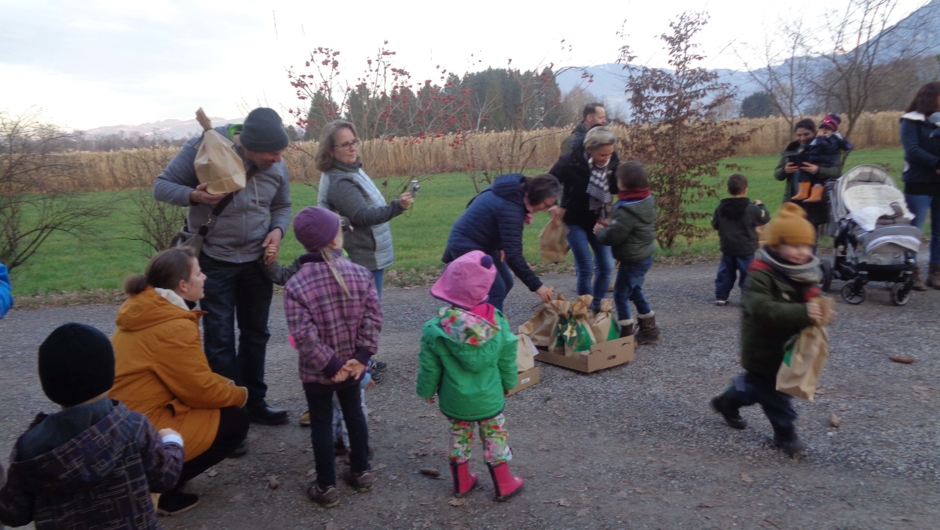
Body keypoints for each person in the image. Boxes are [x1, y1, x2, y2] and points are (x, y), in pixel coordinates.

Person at [153, 107, 292, 426]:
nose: (279, 160)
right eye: (272, 153)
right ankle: (228, 416)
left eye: (281, 152)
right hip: (213, 262)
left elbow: (282, 205)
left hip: (258, 264)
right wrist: (194, 196)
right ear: (249, 145)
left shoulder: (275, 164)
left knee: (256, 334)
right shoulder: (202, 147)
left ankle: (254, 402)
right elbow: (160, 187)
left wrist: (277, 230)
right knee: (219, 339)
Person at [0, 323, 185, 529]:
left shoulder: (30, 448)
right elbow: (165, 477)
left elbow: (14, 514)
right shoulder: (133, 426)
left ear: (48, 383)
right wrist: (172, 442)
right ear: (109, 373)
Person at [110, 247, 250, 515]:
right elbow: (198, 391)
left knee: (218, 403)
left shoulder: (147, 308)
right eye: (199, 273)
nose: (205, 277)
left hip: (122, 420)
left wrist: (225, 384)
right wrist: (241, 395)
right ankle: (159, 487)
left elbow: (187, 374)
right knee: (235, 420)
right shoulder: (172, 325)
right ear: (183, 285)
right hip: (140, 429)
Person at [709, 203, 831, 457]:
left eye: (806, 246)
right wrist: (803, 312)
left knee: (753, 388)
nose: (802, 252)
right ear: (775, 245)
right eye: (795, 245)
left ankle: (726, 402)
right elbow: (761, 308)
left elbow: (811, 291)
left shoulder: (803, 272)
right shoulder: (761, 275)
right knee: (776, 394)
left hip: (787, 346)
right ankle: (786, 435)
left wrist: (820, 307)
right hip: (763, 348)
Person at [283, 207, 381, 508]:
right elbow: (373, 317)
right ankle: (361, 471)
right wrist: (361, 356)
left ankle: (326, 487)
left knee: (322, 425)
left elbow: (304, 335)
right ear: (334, 241)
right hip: (352, 367)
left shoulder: (296, 284)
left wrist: (329, 365)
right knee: (354, 414)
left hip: (318, 373)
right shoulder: (361, 274)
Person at [416, 250, 524, 501]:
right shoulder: (498, 323)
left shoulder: (436, 329)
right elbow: (508, 358)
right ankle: (504, 482)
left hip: (456, 400)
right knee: (494, 434)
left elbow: (429, 366)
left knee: (459, 434)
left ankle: (462, 482)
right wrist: (509, 384)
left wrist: (426, 390)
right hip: (489, 397)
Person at [316, 120, 411, 382]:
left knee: (364, 312)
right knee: (362, 315)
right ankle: (359, 368)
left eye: (353, 142)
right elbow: (361, 215)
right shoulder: (340, 180)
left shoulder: (351, 170)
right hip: (361, 257)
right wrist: (397, 207)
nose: (351, 148)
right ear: (330, 150)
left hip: (368, 254)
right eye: (344, 145)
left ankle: (364, 361)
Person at [442, 174, 560, 310]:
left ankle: (479, 317)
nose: (545, 210)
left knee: (507, 282)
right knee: (495, 289)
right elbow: (514, 255)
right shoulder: (511, 209)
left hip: (485, 243)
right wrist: (538, 286)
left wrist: (502, 244)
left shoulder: (514, 190)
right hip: (466, 244)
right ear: (537, 195)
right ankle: (487, 328)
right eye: (546, 205)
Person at [551, 126, 620, 311]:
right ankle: (584, 309)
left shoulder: (613, 160)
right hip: (573, 219)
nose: (607, 158)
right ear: (590, 149)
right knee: (586, 267)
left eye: (610, 154)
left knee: (606, 266)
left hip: (599, 219)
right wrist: (553, 204)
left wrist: (612, 214)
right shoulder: (569, 161)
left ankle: (597, 306)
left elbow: (618, 188)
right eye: (602, 155)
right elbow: (550, 181)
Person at [594, 162, 662, 344]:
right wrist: (613, 224)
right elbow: (627, 228)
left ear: (624, 183)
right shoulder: (645, 200)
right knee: (634, 290)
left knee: (620, 294)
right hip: (644, 255)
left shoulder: (626, 209)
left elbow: (614, 237)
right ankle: (649, 328)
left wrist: (600, 232)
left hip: (633, 259)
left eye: (618, 179)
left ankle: (625, 335)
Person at [900, 81, 940, 290]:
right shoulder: (910, 121)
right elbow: (912, 150)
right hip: (918, 183)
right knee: (915, 229)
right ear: (931, 97)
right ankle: (910, 271)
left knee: (939, 231)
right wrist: (936, 163)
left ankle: (935, 273)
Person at [773, 118, 843, 232]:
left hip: (814, 202)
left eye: (806, 134)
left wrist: (817, 170)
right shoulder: (791, 149)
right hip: (794, 200)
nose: (802, 138)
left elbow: (836, 172)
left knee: (810, 239)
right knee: (793, 239)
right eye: (799, 135)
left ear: (814, 133)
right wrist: (785, 170)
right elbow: (777, 174)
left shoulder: (824, 147)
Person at [711, 174, 771, 306]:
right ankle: (747, 297)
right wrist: (761, 206)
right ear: (745, 190)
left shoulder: (721, 208)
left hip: (727, 247)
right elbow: (764, 217)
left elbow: (715, 224)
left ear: (727, 190)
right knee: (747, 274)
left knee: (725, 273)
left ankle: (721, 296)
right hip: (746, 248)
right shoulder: (752, 209)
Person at [790, 114, 853, 202]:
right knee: (804, 174)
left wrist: (817, 170)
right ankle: (802, 192)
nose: (824, 131)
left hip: (825, 163)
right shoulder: (791, 148)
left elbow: (826, 148)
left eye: (827, 129)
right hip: (815, 161)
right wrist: (804, 149)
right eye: (822, 128)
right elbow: (812, 145)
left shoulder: (832, 139)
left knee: (818, 180)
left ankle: (816, 195)